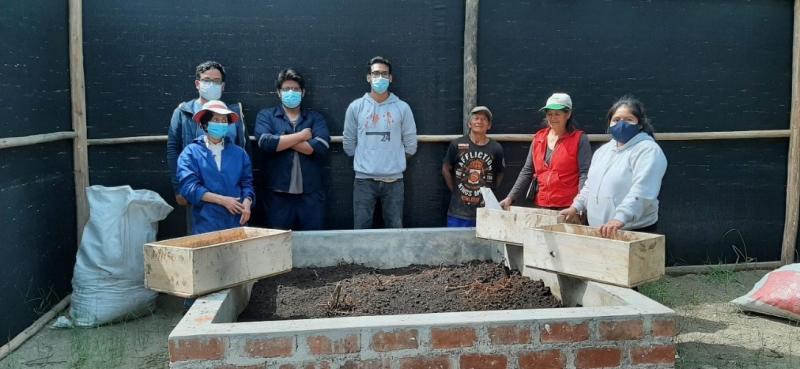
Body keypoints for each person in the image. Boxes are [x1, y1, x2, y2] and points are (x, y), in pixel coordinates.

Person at [560, 95, 667, 238]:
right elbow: (590, 185)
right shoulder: (603, 151)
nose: (621, 124)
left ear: (640, 124)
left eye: (628, 120)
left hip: (632, 231)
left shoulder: (648, 150)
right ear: (610, 123)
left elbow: (643, 191)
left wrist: (620, 218)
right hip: (599, 230)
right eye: (616, 120)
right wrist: (575, 207)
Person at [166, 61, 248, 232]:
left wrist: (247, 196)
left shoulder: (235, 114)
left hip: (232, 194)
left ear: (223, 86)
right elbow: (173, 150)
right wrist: (179, 188)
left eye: (216, 81)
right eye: (206, 80)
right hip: (198, 192)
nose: (211, 84)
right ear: (198, 83)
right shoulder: (183, 112)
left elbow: (245, 152)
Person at [343, 56, 418, 229]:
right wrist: (366, 161)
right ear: (368, 77)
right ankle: (360, 258)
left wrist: (393, 161)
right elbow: (348, 143)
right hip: (363, 181)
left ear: (391, 78)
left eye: (384, 74)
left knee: (395, 229)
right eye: (375, 73)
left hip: (394, 182)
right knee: (361, 229)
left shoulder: (402, 108)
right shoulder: (356, 107)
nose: (380, 78)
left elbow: (410, 144)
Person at [254, 68, 331, 230]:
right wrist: (301, 136)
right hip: (277, 194)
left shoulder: (315, 118)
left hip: (310, 195)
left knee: (313, 242)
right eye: (286, 89)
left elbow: (319, 147)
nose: (291, 92)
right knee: (278, 242)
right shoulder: (266, 116)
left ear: (303, 92)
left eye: (295, 89)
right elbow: (265, 143)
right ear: (278, 92)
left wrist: (282, 139)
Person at [499, 92, 591, 211]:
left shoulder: (579, 139)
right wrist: (510, 198)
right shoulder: (538, 138)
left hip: (568, 208)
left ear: (568, 114)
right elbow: (527, 171)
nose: (552, 118)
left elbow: (584, 174)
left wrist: (579, 206)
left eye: (557, 114)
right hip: (541, 205)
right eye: (549, 114)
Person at [176, 100, 255, 235]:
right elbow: (189, 188)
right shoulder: (190, 153)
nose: (220, 124)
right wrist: (223, 201)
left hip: (236, 222)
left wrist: (247, 202)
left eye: (224, 120)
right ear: (204, 123)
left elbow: (247, 183)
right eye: (215, 120)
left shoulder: (239, 153)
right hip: (206, 223)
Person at [442, 106, 505, 227]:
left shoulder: (496, 148)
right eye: (476, 118)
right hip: (458, 212)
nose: (479, 121)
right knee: (457, 243)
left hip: (485, 211)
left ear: (489, 125)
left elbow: (500, 172)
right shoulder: (457, 144)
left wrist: (490, 190)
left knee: (484, 245)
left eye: (484, 119)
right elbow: (446, 168)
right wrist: (455, 190)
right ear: (469, 123)